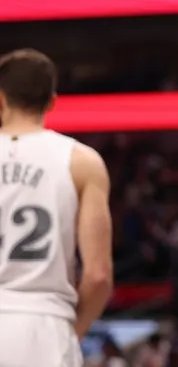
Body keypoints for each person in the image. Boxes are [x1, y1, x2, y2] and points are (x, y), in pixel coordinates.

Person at [0, 48, 114, 367]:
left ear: (1, 99)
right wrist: (71, 331)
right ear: (52, 102)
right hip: (44, 325)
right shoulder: (82, 162)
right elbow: (99, 275)